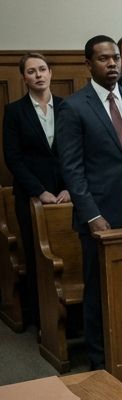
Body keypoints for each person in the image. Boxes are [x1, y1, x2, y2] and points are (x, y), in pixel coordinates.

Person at [57, 36, 122, 369]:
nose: (113, 63)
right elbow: (72, 170)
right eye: (104, 59)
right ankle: (100, 358)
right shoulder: (74, 106)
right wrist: (91, 215)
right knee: (99, 289)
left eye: (115, 57)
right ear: (88, 64)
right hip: (99, 216)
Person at [1, 53, 69, 327]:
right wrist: (40, 191)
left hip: (66, 195)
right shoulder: (15, 111)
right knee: (36, 256)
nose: (38, 75)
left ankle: (71, 317)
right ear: (24, 77)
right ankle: (43, 322)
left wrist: (70, 188)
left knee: (68, 254)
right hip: (31, 196)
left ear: (51, 72)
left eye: (42, 69)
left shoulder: (66, 107)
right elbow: (13, 158)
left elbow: (78, 152)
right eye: (31, 71)